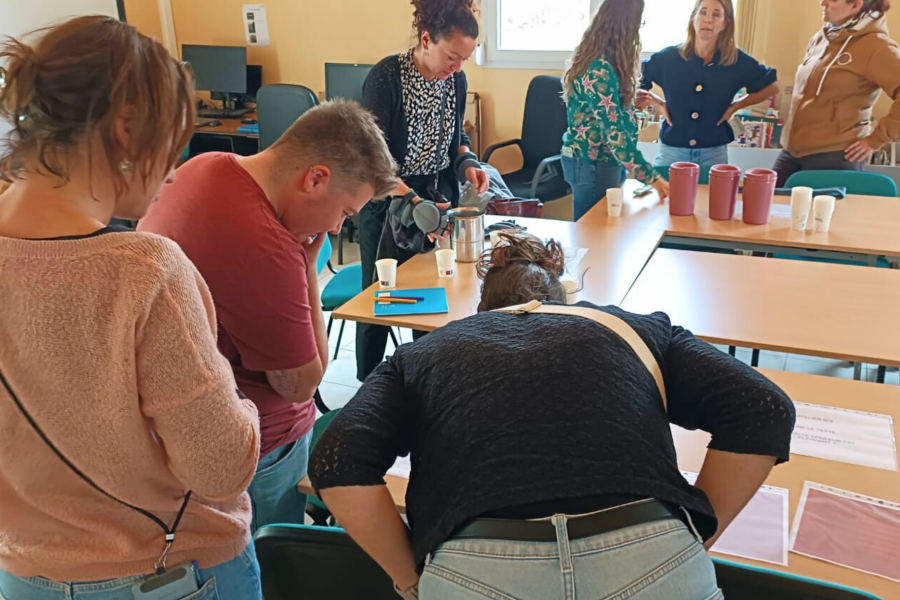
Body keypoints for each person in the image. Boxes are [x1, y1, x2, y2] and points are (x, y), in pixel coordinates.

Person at [309, 231, 796, 600]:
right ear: (561, 300)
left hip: (478, 568)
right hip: (651, 554)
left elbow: (336, 460)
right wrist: (693, 534)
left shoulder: (423, 354)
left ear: (482, 310)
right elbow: (765, 410)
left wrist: (410, 579)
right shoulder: (636, 329)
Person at [0, 16, 263, 598]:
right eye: (172, 144)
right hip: (167, 574)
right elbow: (220, 468)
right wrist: (240, 403)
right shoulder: (143, 271)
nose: (171, 171)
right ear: (126, 129)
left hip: (23, 576)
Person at [138, 101, 397, 533]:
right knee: (270, 557)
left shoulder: (204, 165)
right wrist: (306, 268)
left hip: (180, 437)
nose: (337, 228)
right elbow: (303, 383)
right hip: (258, 450)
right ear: (315, 178)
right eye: (346, 212)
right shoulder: (268, 248)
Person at [356, 0, 490, 381]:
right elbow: (372, 159)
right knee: (381, 298)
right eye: (452, 57)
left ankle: (427, 380)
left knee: (432, 296)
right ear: (427, 39)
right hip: (390, 202)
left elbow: (457, 139)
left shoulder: (455, 81)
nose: (457, 67)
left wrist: (468, 165)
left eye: (465, 59)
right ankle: (368, 386)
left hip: (435, 200)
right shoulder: (387, 78)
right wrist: (413, 202)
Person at [561, 0, 670, 222]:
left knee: (608, 230)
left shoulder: (603, 63)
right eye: (638, 23)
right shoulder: (598, 70)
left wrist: (626, 103)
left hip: (602, 160)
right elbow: (614, 135)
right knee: (593, 231)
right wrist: (652, 178)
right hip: (592, 163)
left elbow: (599, 112)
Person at [638, 0, 779, 168]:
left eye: (716, 14)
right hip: (672, 151)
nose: (708, 19)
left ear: (725, 23)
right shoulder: (668, 58)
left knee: (713, 187)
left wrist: (735, 106)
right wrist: (658, 103)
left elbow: (772, 86)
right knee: (663, 187)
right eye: (703, 12)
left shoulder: (735, 61)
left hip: (713, 153)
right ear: (694, 18)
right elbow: (636, 80)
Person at [774, 0, 900, 186]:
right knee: (769, 200)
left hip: (835, 155)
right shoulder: (820, 38)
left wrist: (876, 139)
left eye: (832, 0)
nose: (822, 3)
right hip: (792, 151)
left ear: (855, 5)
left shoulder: (878, 46)